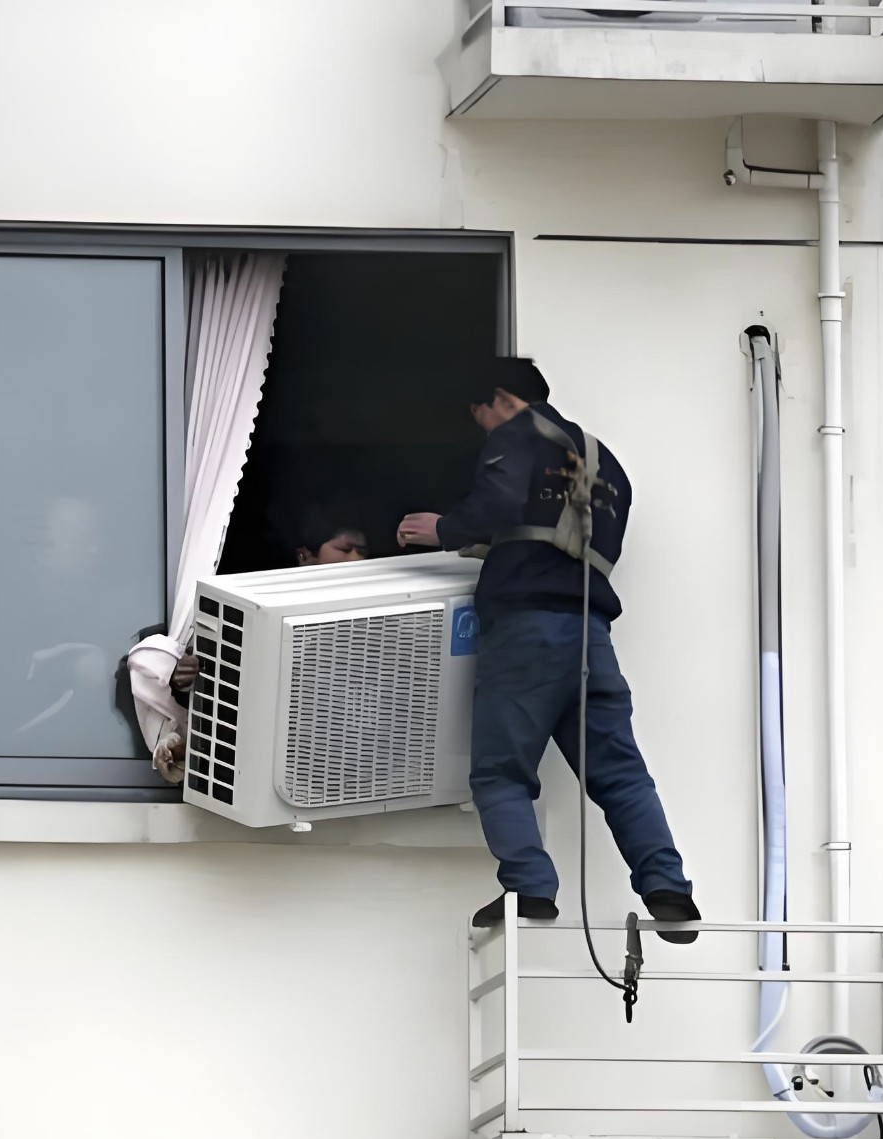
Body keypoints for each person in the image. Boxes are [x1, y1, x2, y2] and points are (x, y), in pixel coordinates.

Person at [396, 357, 701, 941]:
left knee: (500, 771)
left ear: (498, 399)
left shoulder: (517, 434)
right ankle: (670, 891)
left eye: (480, 414)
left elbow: (497, 503)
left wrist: (443, 529)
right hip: (590, 634)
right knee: (620, 773)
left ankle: (529, 888)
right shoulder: (607, 463)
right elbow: (556, 534)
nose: (484, 427)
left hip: (527, 631)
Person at [169, 505, 370, 696]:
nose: (354, 558)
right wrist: (182, 678)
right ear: (305, 554)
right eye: (345, 549)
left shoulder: (362, 624)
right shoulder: (255, 604)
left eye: (361, 551)